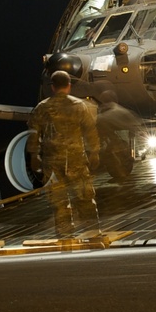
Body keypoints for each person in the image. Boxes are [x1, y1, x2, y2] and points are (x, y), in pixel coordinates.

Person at [27, 71, 101, 239]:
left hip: (51, 162)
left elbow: (33, 133)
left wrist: (34, 155)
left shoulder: (42, 107)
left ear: (52, 87)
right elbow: (90, 131)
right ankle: (93, 233)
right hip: (76, 160)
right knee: (85, 198)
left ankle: (65, 235)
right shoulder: (79, 106)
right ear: (69, 85)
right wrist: (94, 152)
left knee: (59, 203)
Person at [96, 90, 143, 180]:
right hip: (121, 150)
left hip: (109, 143)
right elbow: (135, 128)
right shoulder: (124, 112)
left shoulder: (100, 115)